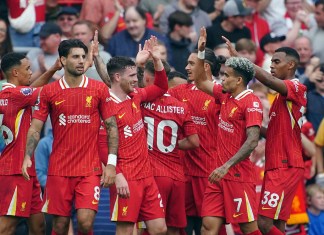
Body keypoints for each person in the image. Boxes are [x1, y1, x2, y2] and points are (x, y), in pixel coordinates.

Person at [21, 39, 119, 235]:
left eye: (84, 56)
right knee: (59, 226)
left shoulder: (98, 89)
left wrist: (110, 163)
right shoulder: (50, 91)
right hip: (59, 170)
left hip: (89, 170)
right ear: (63, 60)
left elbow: (112, 127)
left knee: (85, 222)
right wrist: (26, 156)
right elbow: (35, 128)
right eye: (76, 57)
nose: (81, 61)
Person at [224, 34, 307, 235]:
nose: (272, 65)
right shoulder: (281, 97)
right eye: (271, 61)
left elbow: (268, 80)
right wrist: (251, 126)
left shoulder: (296, 87)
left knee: (263, 223)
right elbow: (276, 134)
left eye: (277, 62)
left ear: (291, 65)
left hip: (284, 164)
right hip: (281, 163)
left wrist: (242, 62)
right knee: (277, 225)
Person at [194, 27, 263, 235]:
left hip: (238, 174)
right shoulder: (225, 96)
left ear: (239, 80)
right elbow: (200, 81)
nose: (221, 79)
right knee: (208, 226)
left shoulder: (251, 102)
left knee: (248, 228)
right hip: (218, 173)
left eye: (226, 75)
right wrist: (200, 53)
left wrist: (227, 165)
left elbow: (252, 141)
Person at [0, 52, 60, 235]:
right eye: (27, 69)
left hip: (27, 169)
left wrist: (52, 69)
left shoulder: (13, 93)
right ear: (16, 72)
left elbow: (32, 88)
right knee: (7, 226)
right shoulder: (12, 93)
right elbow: (45, 91)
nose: (31, 71)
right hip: (15, 169)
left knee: (38, 226)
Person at [141, 59, 200, 234]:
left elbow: (115, 87)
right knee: (174, 228)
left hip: (153, 173)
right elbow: (194, 142)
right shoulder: (181, 106)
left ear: (147, 78)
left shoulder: (141, 102)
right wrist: (172, 144)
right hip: (177, 175)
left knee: (149, 228)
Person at [168, 47, 221, 235]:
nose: (186, 67)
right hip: (182, 171)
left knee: (207, 227)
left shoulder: (221, 93)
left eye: (191, 63)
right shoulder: (178, 92)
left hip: (208, 171)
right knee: (180, 226)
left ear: (205, 66)